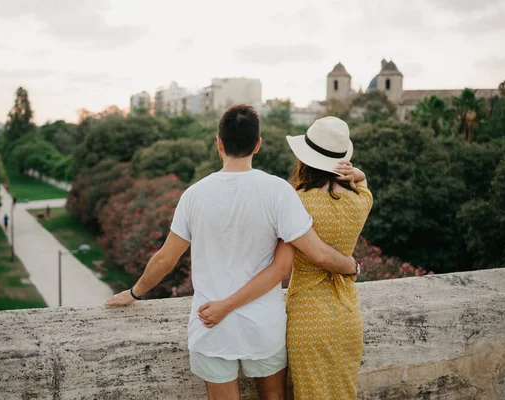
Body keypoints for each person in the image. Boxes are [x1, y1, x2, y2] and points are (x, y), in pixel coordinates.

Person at [104, 105, 360, 400]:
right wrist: (352, 266)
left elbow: (165, 259)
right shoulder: (278, 192)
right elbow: (317, 257)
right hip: (264, 328)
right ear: (258, 144)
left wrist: (135, 292)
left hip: (211, 326)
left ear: (219, 143)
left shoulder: (194, 195)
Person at [200, 117, 372, 399]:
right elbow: (362, 181)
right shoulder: (362, 200)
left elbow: (283, 261)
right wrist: (354, 173)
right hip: (347, 315)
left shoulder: (297, 200)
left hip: (308, 315)